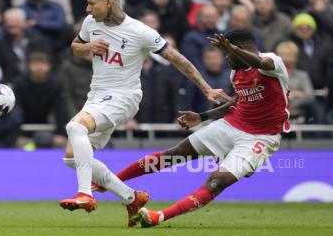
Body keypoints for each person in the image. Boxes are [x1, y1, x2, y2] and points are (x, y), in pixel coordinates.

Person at [59, 0, 232, 227]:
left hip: (123, 96)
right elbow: (75, 47)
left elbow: (177, 59)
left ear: (109, 2)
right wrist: (87, 47)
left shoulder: (140, 32)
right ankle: (132, 198)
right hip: (97, 95)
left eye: (91, 3)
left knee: (75, 128)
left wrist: (205, 88)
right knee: (71, 158)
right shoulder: (91, 23)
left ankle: (85, 194)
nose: (87, 9)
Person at [112, 29, 290, 227]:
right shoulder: (236, 73)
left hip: (260, 137)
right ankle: (110, 181)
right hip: (231, 125)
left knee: (217, 182)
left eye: (228, 53)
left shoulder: (272, 62)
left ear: (239, 49)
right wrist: (202, 117)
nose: (226, 59)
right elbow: (239, 102)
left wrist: (232, 49)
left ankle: (158, 217)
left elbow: (260, 63)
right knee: (175, 154)